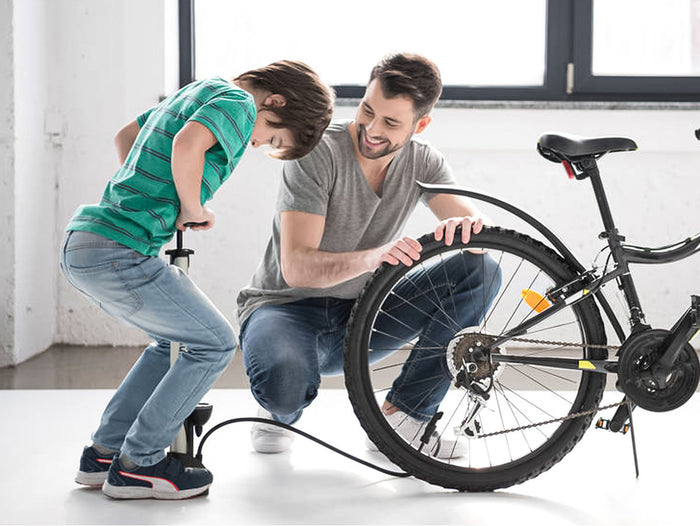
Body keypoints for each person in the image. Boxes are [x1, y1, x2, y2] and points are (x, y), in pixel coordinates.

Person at [60, 60, 334, 500]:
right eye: (272, 136)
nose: (258, 142)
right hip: (118, 252)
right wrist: (190, 205)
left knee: (170, 343)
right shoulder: (241, 102)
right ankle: (139, 462)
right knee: (215, 343)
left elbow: (127, 137)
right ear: (275, 101)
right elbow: (188, 144)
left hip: (90, 242)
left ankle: (105, 453)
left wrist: (154, 199)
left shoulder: (200, 90)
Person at [237, 53, 501, 459]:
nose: (372, 130)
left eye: (391, 123)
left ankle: (402, 421)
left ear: (420, 125)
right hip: (286, 307)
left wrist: (467, 229)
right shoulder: (317, 152)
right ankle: (277, 410)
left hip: (365, 312)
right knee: (283, 385)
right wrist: (372, 258)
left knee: (480, 268)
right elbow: (297, 268)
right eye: (367, 110)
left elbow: (482, 232)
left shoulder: (423, 160)